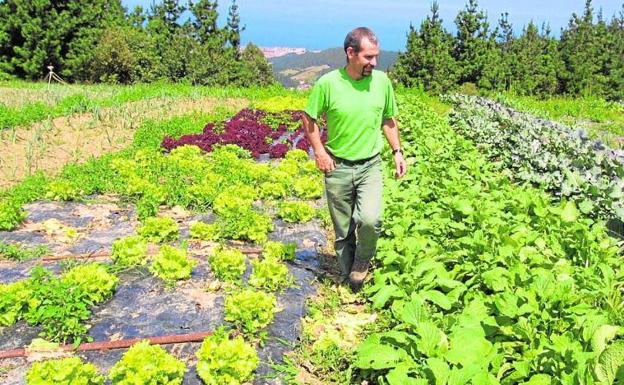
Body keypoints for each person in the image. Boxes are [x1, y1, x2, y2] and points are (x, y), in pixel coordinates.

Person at [302, 27, 407, 291]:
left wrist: (397, 151)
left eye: (376, 57)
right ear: (351, 53)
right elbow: (309, 118)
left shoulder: (382, 82)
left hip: (370, 165)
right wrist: (320, 152)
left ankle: (362, 262)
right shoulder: (328, 83)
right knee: (343, 231)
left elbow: (388, 119)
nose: (374, 63)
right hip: (337, 167)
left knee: (370, 219)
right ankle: (349, 276)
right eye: (368, 57)